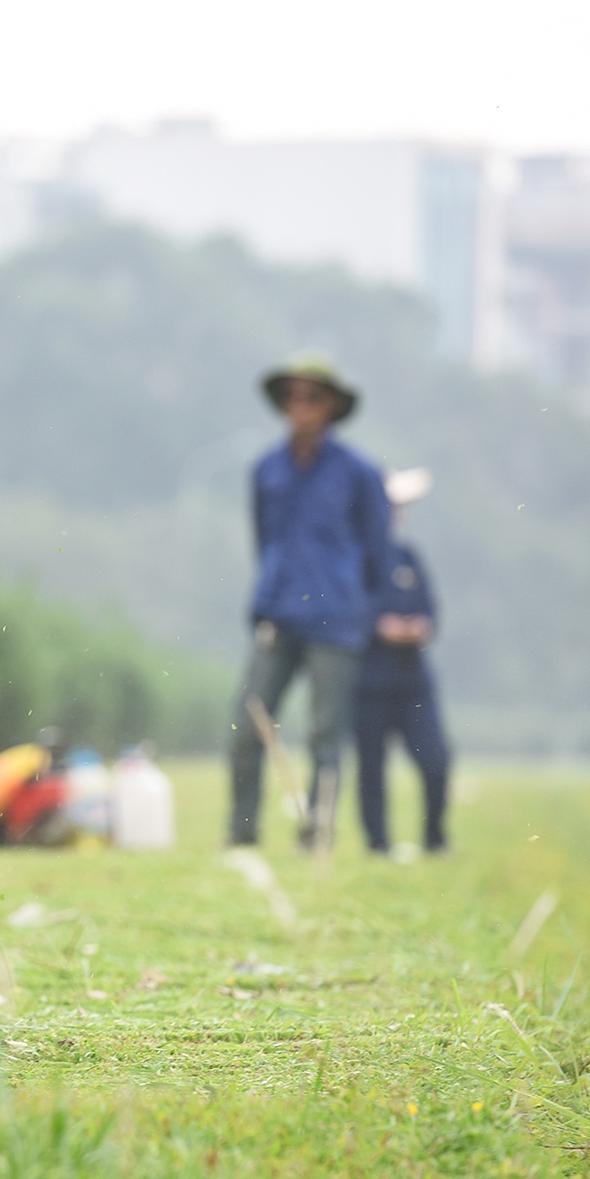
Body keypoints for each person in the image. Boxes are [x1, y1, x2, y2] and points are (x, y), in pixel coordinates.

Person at [227, 355, 392, 849]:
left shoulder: (360, 473)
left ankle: (317, 830)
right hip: (278, 612)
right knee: (246, 722)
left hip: (336, 619)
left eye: (312, 397)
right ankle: (242, 831)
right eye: (293, 397)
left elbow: (378, 551)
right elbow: (264, 540)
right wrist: (269, 594)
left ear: (332, 406)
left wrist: (363, 613)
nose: (301, 407)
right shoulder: (266, 469)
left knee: (325, 735)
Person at [353, 468, 452, 854]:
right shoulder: (352, 560)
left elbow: (431, 611)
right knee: (372, 770)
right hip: (367, 682)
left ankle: (435, 840)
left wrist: (417, 627)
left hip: (412, 679)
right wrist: (378, 626)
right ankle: (377, 845)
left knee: (435, 760)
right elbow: (344, 613)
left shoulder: (409, 557)